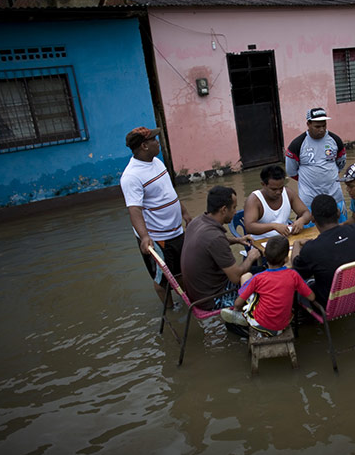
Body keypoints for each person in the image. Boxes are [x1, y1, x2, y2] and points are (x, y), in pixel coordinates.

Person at [120, 126, 192, 307]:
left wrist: (184, 213)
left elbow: (169, 192)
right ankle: (170, 310)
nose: (157, 142)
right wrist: (145, 237)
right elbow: (134, 210)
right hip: (157, 237)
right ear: (144, 146)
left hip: (175, 230)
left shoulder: (157, 162)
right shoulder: (131, 176)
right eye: (154, 140)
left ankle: (188, 303)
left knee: (182, 270)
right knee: (163, 279)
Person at [181, 186, 261, 314]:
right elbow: (235, 277)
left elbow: (210, 243)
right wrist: (251, 256)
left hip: (197, 292)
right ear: (224, 210)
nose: (235, 212)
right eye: (234, 208)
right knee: (266, 281)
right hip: (213, 299)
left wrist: (236, 240)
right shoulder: (215, 238)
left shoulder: (197, 221)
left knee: (258, 271)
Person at [221, 235, 314, 336]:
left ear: (264, 254)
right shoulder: (294, 275)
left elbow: (238, 303)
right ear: (286, 259)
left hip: (260, 325)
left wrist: (236, 307)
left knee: (247, 279)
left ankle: (244, 315)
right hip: (282, 325)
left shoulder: (258, 278)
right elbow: (311, 297)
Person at [292, 194, 355, 307]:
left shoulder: (312, 249)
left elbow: (297, 271)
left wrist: (296, 245)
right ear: (338, 213)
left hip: (330, 304)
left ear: (312, 218)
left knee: (297, 284)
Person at [285, 107, 346, 211]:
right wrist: (309, 180)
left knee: (340, 226)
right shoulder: (297, 144)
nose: (321, 130)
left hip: (335, 197)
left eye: (324, 125)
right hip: (309, 200)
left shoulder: (335, 140)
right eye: (317, 126)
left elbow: (340, 164)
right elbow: (291, 172)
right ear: (308, 124)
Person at [244, 165, 311, 240]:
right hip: (262, 242)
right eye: (274, 189)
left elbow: (306, 213)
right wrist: (274, 226)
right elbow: (249, 227)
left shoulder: (288, 193)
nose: (278, 192)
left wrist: (301, 220)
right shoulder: (254, 200)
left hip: (285, 239)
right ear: (263, 185)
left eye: (281, 188)